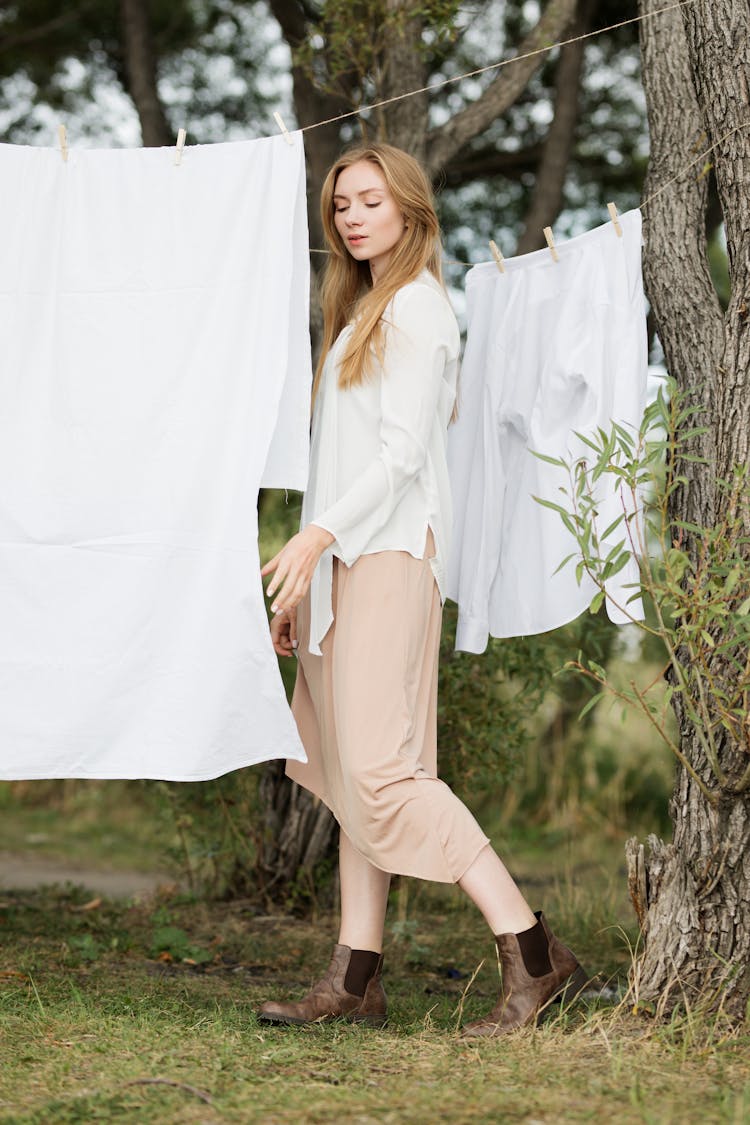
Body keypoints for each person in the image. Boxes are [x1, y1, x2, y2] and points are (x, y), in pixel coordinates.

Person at [257, 142, 587, 1037]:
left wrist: (320, 536)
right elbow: (341, 463)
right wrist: (303, 587)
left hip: (392, 557)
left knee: (386, 772)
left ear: (410, 208)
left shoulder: (419, 310)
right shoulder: (360, 312)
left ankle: (533, 949)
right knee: (343, 770)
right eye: (340, 207)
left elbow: (404, 456)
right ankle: (355, 977)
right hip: (339, 568)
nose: (352, 216)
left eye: (369, 200)